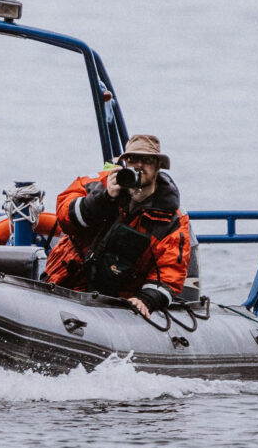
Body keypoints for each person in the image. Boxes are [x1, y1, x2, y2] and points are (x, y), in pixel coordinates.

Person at [42, 134, 192, 316]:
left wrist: (147, 299)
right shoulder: (98, 184)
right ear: (124, 163)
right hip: (65, 283)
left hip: (118, 301)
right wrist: (104, 198)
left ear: (158, 166)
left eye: (147, 160)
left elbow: (170, 271)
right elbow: (66, 216)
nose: (138, 166)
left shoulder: (172, 218)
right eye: (132, 159)